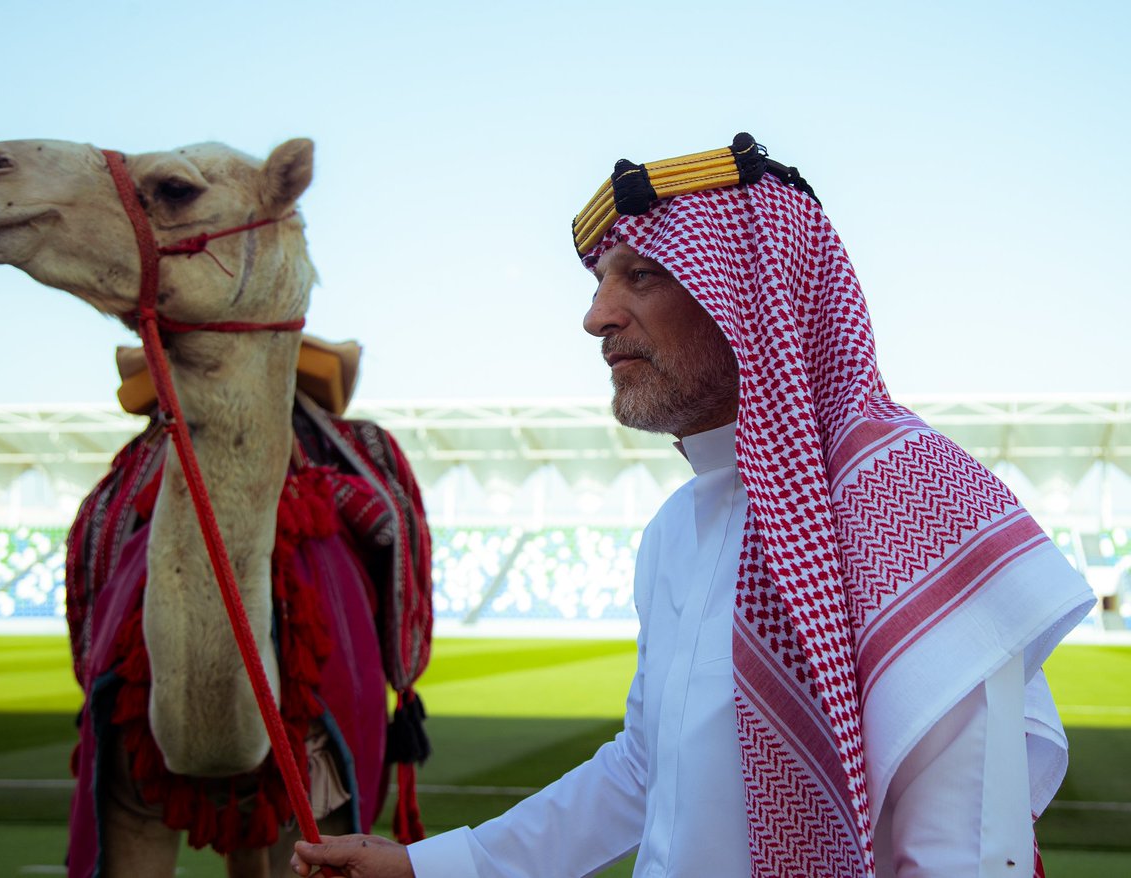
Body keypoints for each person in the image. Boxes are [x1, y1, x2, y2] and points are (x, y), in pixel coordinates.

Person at [292, 133, 1095, 877]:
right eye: (603, 282)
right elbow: (646, 770)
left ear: (753, 292)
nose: (596, 316)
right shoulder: (677, 528)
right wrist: (426, 867)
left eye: (641, 275)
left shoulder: (912, 503)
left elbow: (962, 859)